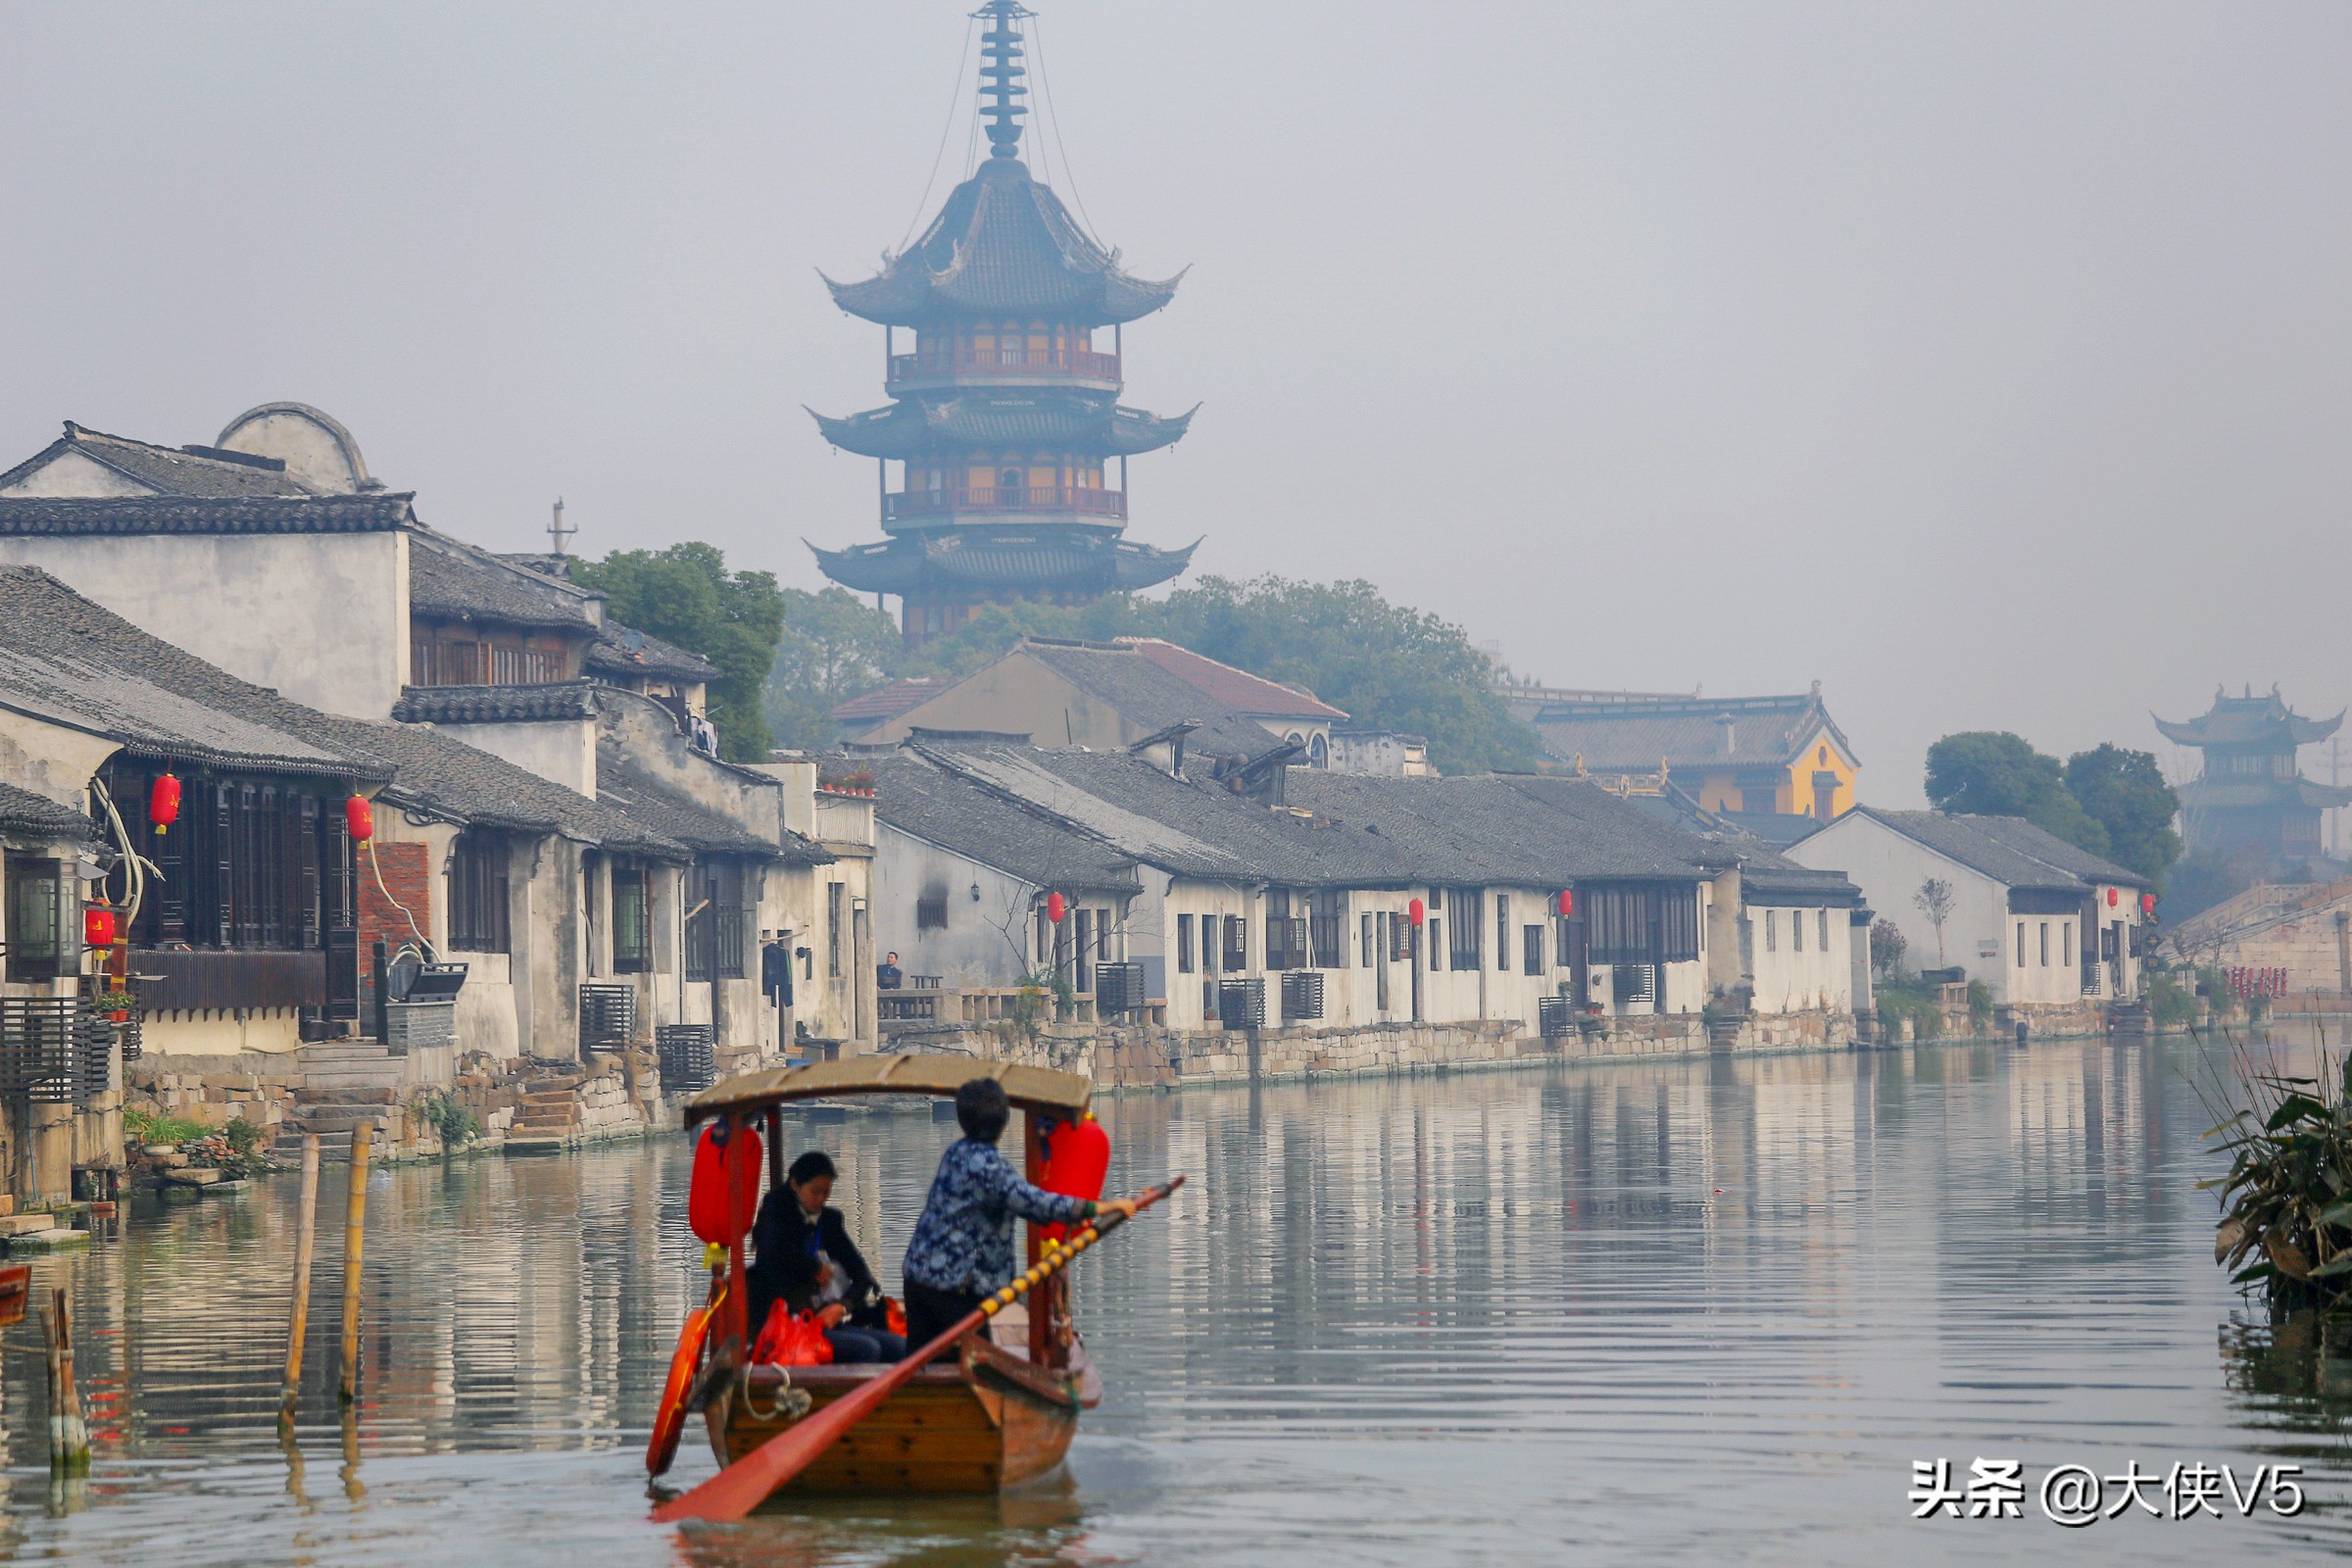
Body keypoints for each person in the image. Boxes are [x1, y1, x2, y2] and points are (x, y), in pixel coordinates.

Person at [900, 1078, 1136, 1355]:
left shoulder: (956, 1152)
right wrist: (1100, 1208)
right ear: (1003, 1120)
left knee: (922, 1362)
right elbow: (1035, 1203)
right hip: (951, 1286)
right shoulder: (989, 1166)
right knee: (975, 1360)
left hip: (918, 1276)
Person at [747, 1151, 906, 1364]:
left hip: (824, 1318)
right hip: (790, 1326)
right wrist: (812, 1269)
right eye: (815, 1192)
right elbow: (774, 1256)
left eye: (826, 1192)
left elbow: (862, 1276)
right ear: (795, 1185)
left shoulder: (829, 1221)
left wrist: (841, 1307)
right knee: (868, 1349)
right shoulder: (775, 1214)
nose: (821, 1199)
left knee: (899, 1346)